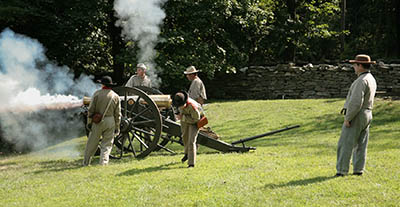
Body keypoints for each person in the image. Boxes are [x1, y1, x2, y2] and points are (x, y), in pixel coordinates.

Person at [335, 54, 377, 177]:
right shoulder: (371, 78)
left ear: (360, 66)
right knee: (361, 143)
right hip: (368, 112)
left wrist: (348, 118)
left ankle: (342, 170)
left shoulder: (361, 80)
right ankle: (358, 169)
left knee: (345, 143)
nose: (353, 67)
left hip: (358, 114)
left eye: (355, 64)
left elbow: (355, 102)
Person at [83, 76, 121, 166]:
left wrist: (89, 123)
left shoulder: (97, 94)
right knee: (107, 144)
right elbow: (118, 114)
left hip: (98, 121)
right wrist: (117, 126)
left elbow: (91, 110)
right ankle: (103, 163)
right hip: (110, 121)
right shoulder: (115, 96)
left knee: (92, 143)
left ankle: (86, 162)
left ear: (103, 84)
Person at [172, 91, 201, 168]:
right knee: (185, 137)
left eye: (181, 105)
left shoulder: (192, 106)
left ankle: (191, 163)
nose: (179, 107)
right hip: (184, 120)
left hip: (194, 122)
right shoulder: (177, 101)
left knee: (191, 141)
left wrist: (183, 118)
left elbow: (196, 119)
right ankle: (187, 154)